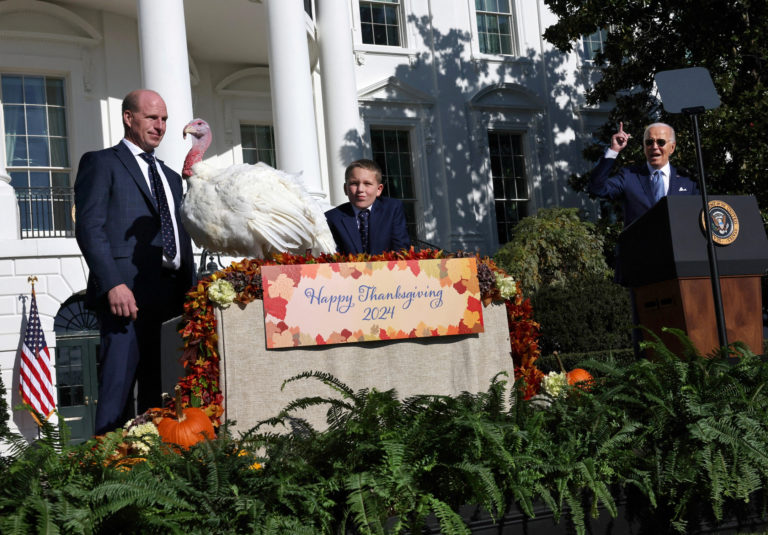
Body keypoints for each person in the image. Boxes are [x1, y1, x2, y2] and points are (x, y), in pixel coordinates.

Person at [75, 89, 195, 435]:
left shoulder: (172, 177)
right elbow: (89, 227)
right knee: (118, 389)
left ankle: (153, 469)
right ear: (129, 118)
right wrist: (112, 282)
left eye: (164, 120)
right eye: (152, 118)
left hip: (170, 296)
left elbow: (180, 235)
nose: (160, 126)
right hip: (124, 295)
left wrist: (190, 293)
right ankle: (109, 471)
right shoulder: (102, 163)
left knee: (163, 392)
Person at [589, 121, 699, 227]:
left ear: (672, 147)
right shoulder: (629, 176)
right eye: (649, 142)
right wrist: (614, 150)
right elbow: (597, 188)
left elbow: (696, 218)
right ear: (644, 147)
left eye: (661, 142)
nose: (654, 147)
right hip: (639, 245)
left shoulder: (688, 180)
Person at [325, 159, 411, 255]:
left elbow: (400, 250)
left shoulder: (392, 210)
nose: (360, 189)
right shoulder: (332, 218)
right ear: (345, 189)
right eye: (354, 183)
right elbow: (332, 256)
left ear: (379, 189)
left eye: (367, 184)